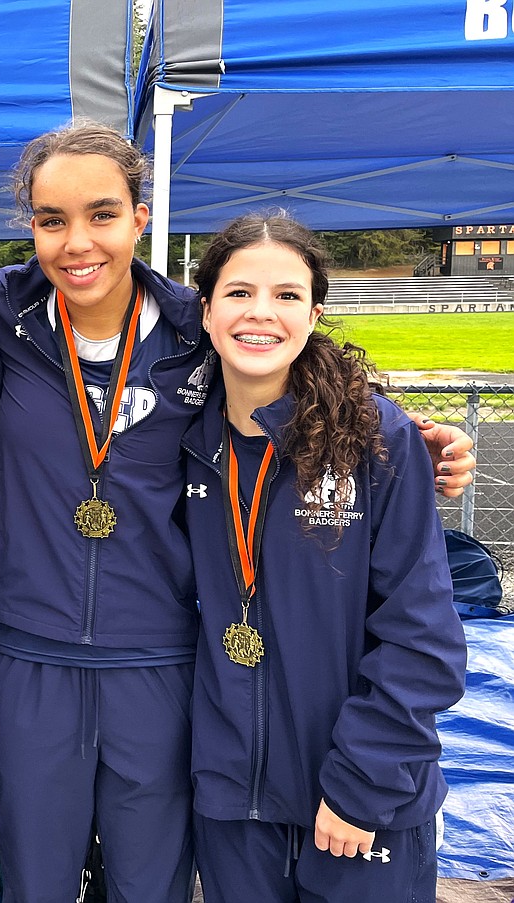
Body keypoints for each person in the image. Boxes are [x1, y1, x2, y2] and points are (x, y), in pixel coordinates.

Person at [0, 121, 476, 903]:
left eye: (101, 213)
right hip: (41, 663)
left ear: (139, 217)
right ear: (30, 225)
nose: (77, 240)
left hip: (161, 669)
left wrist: (402, 435)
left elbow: (287, 354)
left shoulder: (191, 330)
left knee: (152, 882)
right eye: (51, 219)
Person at [183, 212, 467, 902]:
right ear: (207, 311)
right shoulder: (176, 435)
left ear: (314, 314)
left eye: (286, 295)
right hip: (232, 806)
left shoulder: (378, 442)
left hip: (355, 804)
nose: (261, 313)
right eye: (239, 292)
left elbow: (421, 636)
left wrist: (363, 783)